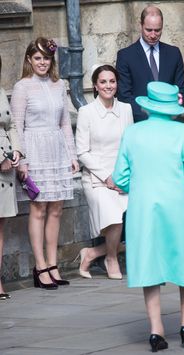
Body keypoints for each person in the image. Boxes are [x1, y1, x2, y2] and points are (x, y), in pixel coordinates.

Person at [112, 81, 184, 351]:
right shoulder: (183, 131)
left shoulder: (132, 133)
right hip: (177, 203)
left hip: (144, 206)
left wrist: (138, 187)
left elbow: (120, 176)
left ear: (149, 104)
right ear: (171, 107)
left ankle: (156, 331)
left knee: (149, 265)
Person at [10, 37, 79, 290]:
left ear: (52, 61)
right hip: (34, 149)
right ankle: (40, 267)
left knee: (56, 208)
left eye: (46, 58)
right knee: (38, 208)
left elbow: (64, 123)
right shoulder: (22, 87)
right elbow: (17, 125)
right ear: (30, 59)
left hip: (57, 148)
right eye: (37, 58)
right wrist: (22, 161)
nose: (42, 63)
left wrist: (72, 155)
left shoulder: (59, 84)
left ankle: (53, 264)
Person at [75, 64, 133, 280]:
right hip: (96, 179)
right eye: (103, 82)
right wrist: (106, 177)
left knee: (140, 219)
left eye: (112, 81)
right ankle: (110, 258)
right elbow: (82, 151)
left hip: (121, 177)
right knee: (115, 217)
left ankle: (91, 253)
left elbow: (129, 147)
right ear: (95, 86)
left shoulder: (125, 109)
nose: (108, 86)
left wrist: (122, 177)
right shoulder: (86, 112)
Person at [116, 5, 184, 122]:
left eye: (157, 30)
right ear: (141, 26)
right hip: (139, 124)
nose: (153, 35)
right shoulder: (125, 56)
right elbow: (124, 96)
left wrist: (169, 115)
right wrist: (151, 117)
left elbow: (181, 91)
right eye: (149, 30)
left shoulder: (174, 53)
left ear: (162, 27)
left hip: (168, 122)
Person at [0, 55, 22, 300]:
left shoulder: (0, 90)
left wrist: (16, 150)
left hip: (7, 166)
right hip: (0, 163)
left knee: (1, 226)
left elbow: (11, 124)